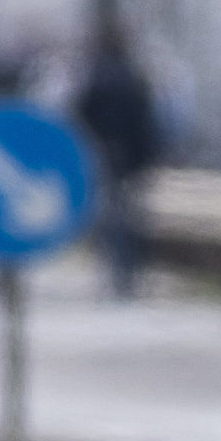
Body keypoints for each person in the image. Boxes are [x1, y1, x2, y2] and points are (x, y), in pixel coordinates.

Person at [73, 23, 166, 298]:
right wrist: (147, 157)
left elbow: (82, 116)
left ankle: (114, 271)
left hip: (104, 157)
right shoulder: (135, 80)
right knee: (133, 216)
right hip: (132, 158)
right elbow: (146, 123)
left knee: (110, 217)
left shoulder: (96, 80)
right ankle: (132, 271)